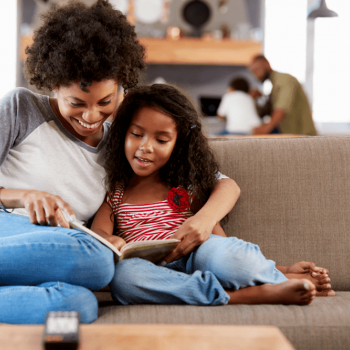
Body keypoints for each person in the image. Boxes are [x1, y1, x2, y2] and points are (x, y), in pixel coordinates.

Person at [0, 0, 242, 324]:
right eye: (76, 103)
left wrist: (203, 220)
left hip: (59, 251)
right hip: (10, 229)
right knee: (98, 262)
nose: (90, 117)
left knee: (79, 306)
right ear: (53, 83)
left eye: (105, 102)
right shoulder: (21, 108)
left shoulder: (125, 141)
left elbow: (222, 182)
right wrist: (24, 195)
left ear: (122, 86)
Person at [91, 83, 334, 306]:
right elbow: (99, 231)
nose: (145, 146)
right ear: (122, 133)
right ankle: (246, 294)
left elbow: (220, 244)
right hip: (150, 270)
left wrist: (280, 266)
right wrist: (110, 240)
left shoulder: (184, 186)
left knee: (228, 258)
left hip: (196, 256)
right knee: (124, 279)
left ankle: (277, 275)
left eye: (162, 139)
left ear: (178, 144)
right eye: (136, 134)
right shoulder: (117, 192)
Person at [249, 55, 317, 136]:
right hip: (291, 136)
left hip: (304, 136)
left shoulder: (285, 80)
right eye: (253, 72)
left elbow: (281, 109)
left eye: (257, 70)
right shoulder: (274, 86)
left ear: (266, 64)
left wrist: (265, 128)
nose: (256, 75)